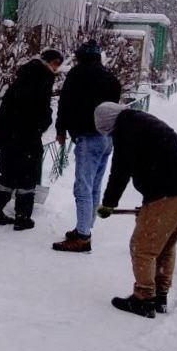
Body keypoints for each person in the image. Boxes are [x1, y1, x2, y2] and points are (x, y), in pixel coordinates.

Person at [93, 102, 177, 318]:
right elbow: (155, 161)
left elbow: (120, 171)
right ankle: (160, 296)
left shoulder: (126, 130)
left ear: (108, 124)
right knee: (165, 247)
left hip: (167, 196)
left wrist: (109, 203)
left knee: (142, 247)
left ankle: (144, 299)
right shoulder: (144, 121)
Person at [51, 41, 122, 253]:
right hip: (107, 138)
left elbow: (65, 104)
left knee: (82, 187)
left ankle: (82, 237)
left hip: (87, 137)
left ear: (80, 56)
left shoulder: (77, 75)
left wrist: (61, 129)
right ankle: (85, 227)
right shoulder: (111, 79)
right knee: (95, 186)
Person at [0, 49, 64, 231]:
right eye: (56, 64)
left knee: (8, 174)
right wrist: (44, 122)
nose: (57, 69)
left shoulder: (24, 76)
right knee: (27, 177)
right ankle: (22, 216)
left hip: (9, 137)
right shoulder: (42, 79)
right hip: (27, 137)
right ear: (50, 62)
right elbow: (40, 112)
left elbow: (7, 108)